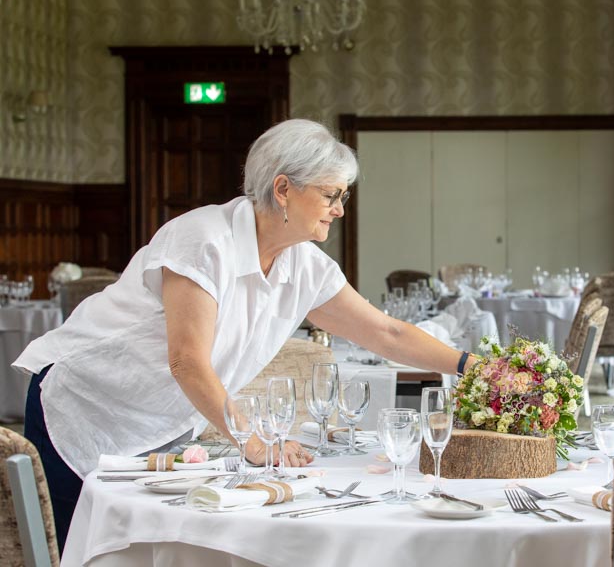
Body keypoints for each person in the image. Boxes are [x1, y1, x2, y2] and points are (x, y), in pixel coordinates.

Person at [13, 119, 476, 551]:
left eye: (343, 197)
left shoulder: (304, 264)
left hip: (160, 423)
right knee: (80, 548)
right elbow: (187, 361)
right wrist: (254, 443)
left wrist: (470, 366)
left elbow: (387, 333)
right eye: (331, 195)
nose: (338, 210)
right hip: (84, 405)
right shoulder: (203, 240)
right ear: (283, 191)